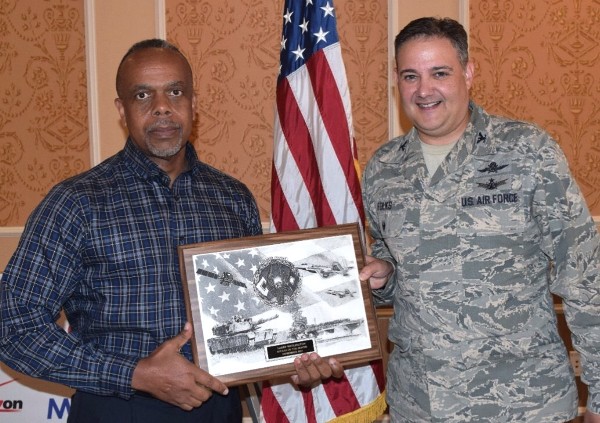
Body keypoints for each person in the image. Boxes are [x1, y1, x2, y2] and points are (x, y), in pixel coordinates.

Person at [0, 39, 340, 423]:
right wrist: (135, 375)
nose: (161, 106)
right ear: (121, 110)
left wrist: (297, 356)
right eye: (142, 94)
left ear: (194, 104)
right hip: (116, 410)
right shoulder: (76, 202)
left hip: (218, 407)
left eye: (175, 91)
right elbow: (13, 326)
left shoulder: (232, 198)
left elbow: (266, 313)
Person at [358, 17, 600, 422]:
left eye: (440, 73)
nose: (424, 90)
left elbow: (585, 275)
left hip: (522, 404)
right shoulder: (383, 168)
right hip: (418, 405)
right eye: (410, 76)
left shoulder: (528, 151)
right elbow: (395, 271)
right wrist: (384, 274)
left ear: (468, 73)